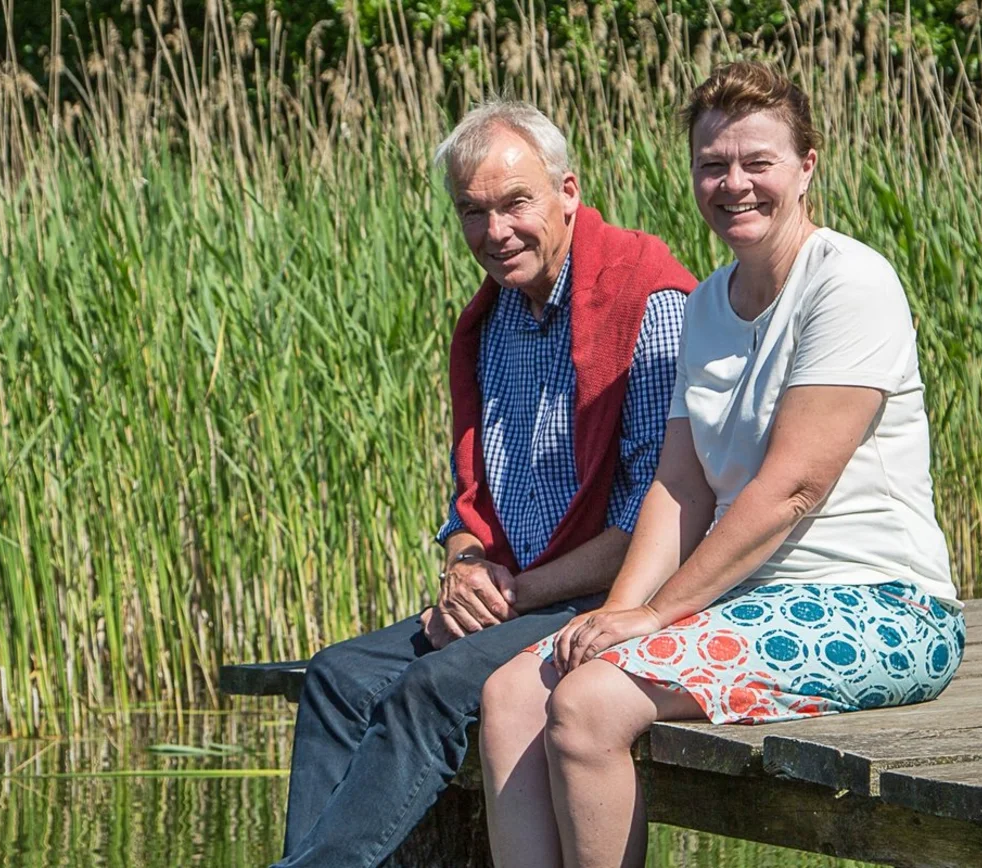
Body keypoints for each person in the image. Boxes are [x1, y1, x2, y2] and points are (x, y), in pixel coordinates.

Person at [477, 62, 966, 868]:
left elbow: (792, 490)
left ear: (806, 165)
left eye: (757, 162)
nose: (734, 183)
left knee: (592, 705)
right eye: (713, 165)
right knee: (513, 693)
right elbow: (683, 482)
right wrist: (615, 613)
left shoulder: (850, 283)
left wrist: (656, 615)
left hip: (881, 607)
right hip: (752, 606)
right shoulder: (705, 305)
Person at [274, 101, 698, 868]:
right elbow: (468, 493)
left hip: (607, 600)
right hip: (509, 593)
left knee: (433, 688)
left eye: (515, 203)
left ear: (568, 192)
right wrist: (465, 564)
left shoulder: (649, 304)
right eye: (473, 211)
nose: (495, 231)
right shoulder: (492, 318)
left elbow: (652, 525)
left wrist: (511, 597)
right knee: (338, 676)